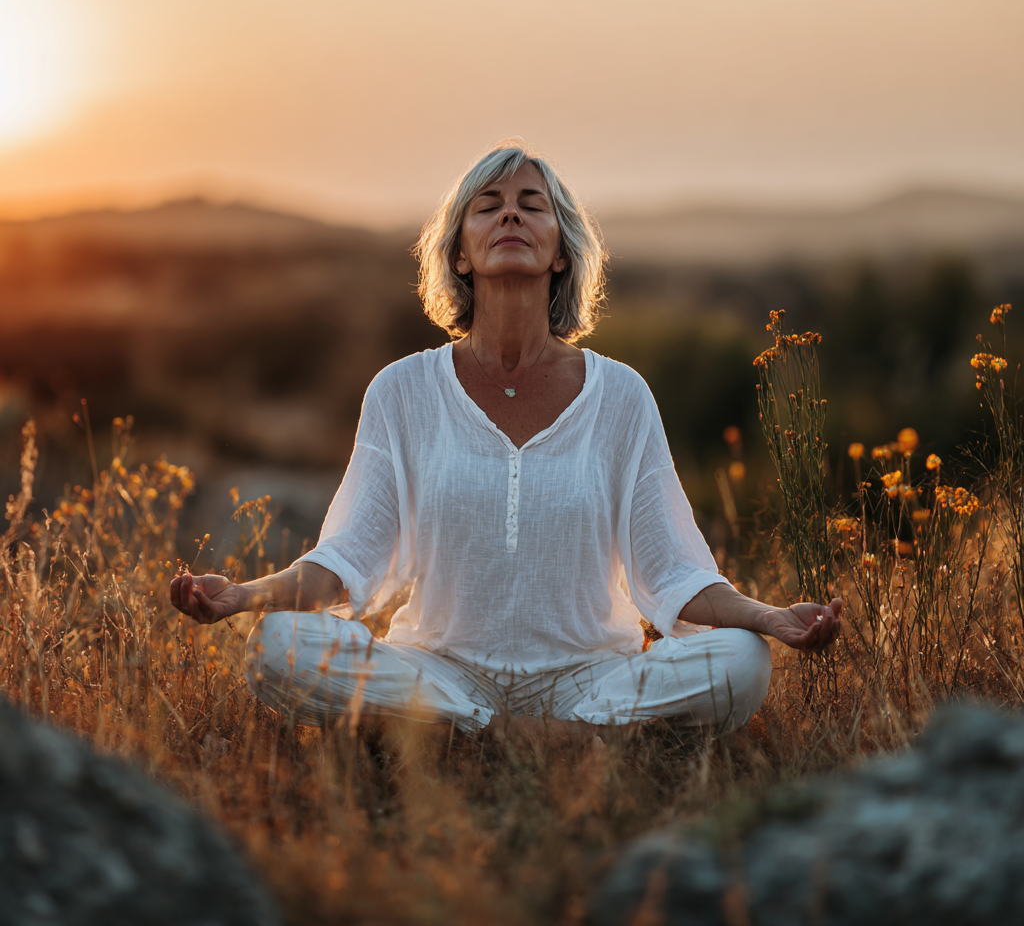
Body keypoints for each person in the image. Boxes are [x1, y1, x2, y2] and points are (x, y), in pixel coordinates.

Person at [170, 143, 842, 734]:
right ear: (460, 250)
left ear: (561, 250)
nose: (511, 215)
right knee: (279, 643)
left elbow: (671, 574)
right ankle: (545, 737)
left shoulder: (621, 396)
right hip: (439, 672)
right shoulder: (402, 392)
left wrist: (770, 618)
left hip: (590, 676)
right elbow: (348, 560)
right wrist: (243, 597)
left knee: (742, 661)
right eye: (488, 205)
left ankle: (468, 738)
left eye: (532, 205)